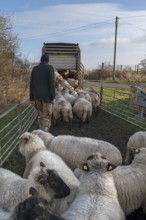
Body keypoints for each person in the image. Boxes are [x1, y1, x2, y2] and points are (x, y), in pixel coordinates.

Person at [30, 54, 55, 131]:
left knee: (41, 115)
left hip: (37, 96)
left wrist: (31, 98)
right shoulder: (50, 68)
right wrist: (53, 97)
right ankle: (44, 133)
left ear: (41, 60)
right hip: (47, 97)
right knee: (46, 116)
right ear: (48, 60)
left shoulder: (35, 69)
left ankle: (40, 130)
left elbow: (31, 84)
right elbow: (51, 84)